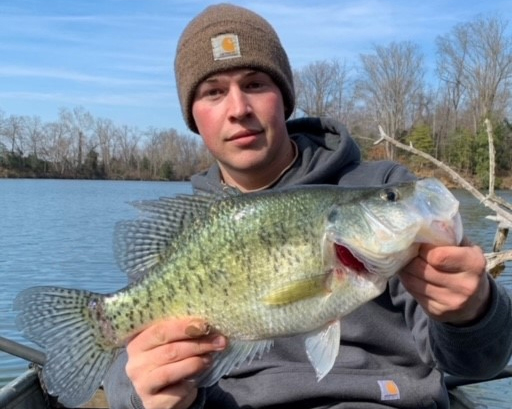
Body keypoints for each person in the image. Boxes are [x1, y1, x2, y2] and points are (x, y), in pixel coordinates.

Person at [103, 3, 512, 408]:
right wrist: (145, 393)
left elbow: (477, 363)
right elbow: (130, 367)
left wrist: (473, 311)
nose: (238, 109)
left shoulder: (383, 190)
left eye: (255, 83)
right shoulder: (190, 232)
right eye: (213, 92)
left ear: (285, 98)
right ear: (193, 117)